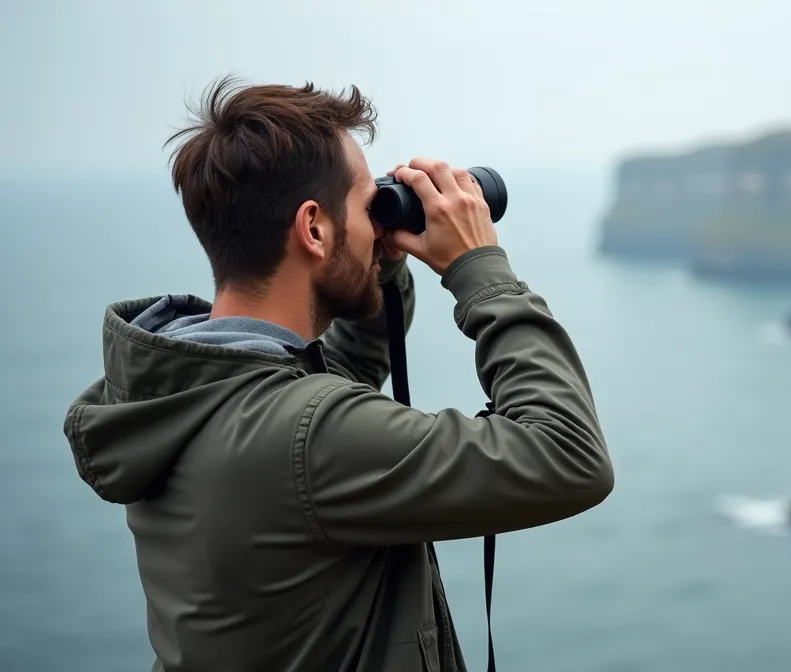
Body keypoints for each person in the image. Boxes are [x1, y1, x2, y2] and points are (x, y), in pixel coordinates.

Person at [61, 75, 614, 672]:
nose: (376, 218)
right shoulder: (305, 438)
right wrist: (479, 269)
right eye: (364, 203)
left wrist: (379, 259)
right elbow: (569, 455)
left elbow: (339, 372)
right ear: (314, 228)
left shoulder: (192, 389)